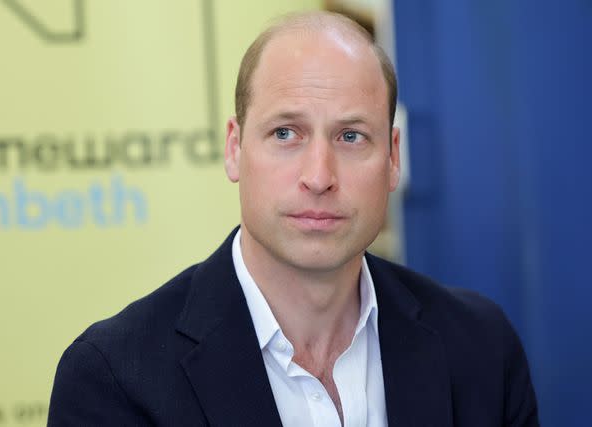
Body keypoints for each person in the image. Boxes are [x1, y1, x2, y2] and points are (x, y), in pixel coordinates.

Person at [48, 11, 539, 427]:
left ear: (393, 158)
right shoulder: (113, 379)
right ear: (235, 149)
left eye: (351, 137)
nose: (319, 176)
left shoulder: (481, 349)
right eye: (286, 133)